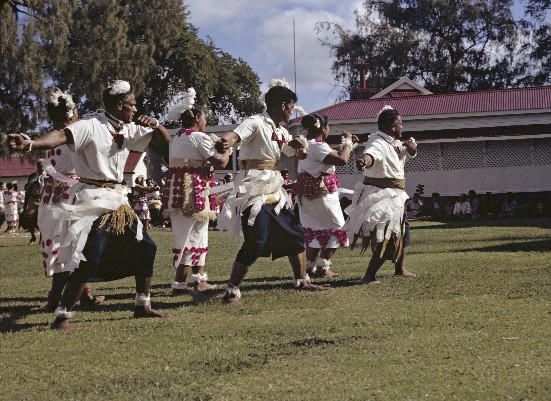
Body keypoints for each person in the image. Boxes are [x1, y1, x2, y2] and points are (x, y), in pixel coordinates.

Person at [8, 79, 171, 330]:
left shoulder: (128, 127)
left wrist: (156, 124)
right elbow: (60, 135)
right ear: (119, 104)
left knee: (147, 248)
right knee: (90, 255)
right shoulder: (91, 125)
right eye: (132, 104)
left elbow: (165, 142)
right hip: (93, 199)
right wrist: (31, 143)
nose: (135, 110)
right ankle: (62, 314)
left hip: (118, 200)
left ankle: (142, 305)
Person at [216, 81, 327, 302]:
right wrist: (225, 142)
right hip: (253, 189)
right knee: (256, 239)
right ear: (284, 105)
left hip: (275, 189)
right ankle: (232, 288)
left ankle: (302, 280)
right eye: (291, 107)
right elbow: (235, 136)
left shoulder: (281, 131)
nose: (292, 111)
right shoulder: (255, 122)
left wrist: (300, 147)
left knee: (295, 233)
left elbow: (297, 154)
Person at [37, 88, 104, 312]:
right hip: (71, 196)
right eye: (75, 110)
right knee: (73, 247)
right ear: (69, 113)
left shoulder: (50, 138)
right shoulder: (70, 137)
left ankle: (83, 294)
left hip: (51, 198)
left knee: (70, 247)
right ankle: (55, 299)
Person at [163, 88, 229, 295]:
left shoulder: (177, 138)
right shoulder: (199, 137)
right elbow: (222, 162)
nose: (205, 120)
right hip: (194, 190)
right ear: (197, 119)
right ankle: (188, 282)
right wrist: (224, 149)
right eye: (204, 117)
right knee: (195, 234)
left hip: (177, 190)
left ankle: (189, 282)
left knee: (188, 234)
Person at [343, 106, 417, 283]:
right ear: (392, 126)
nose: (402, 127)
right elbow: (371, 155)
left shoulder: (394, 143)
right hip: (382, 196)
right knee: (387, 236)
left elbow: (408, 154)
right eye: (400, 124)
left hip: (396, 195)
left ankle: (399, 268)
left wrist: (412, 148)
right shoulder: (377, 142)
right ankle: (369, 275)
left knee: (403, 230)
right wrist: (364, 161)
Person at [295, 113, 356, 278]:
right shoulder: (318, 146)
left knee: (315, 229)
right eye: (328, 127)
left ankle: (310, 266)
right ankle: (323, 266)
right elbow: (342, 160)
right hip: (321, 195)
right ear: (323, 128)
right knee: (337, 228)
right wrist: (348, 142)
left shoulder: (309, 144)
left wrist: (348, 146)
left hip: (308, 195)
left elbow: (335, 155)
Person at [21, 160, 45, 243]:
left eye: (42, 166)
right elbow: (28, 191)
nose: (41, 168)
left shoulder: (48, 176)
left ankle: (42, 238)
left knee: (42, 219)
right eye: (39, 166)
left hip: (44, 200)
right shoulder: (32, 176)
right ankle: (33, 236)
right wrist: (25, 205)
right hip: (33, 199)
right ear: (37, 166)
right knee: (28, 216)